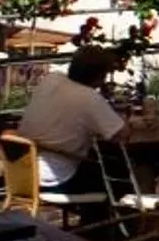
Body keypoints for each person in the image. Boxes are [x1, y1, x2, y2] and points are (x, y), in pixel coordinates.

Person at [17, 45, 126, 187]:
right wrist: (123, 117)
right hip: (55, 177)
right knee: (121, 171)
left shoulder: (51, 79)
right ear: (100, 76)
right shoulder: (89, 98)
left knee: (100, 159)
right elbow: (121, 134)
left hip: (21, 169)